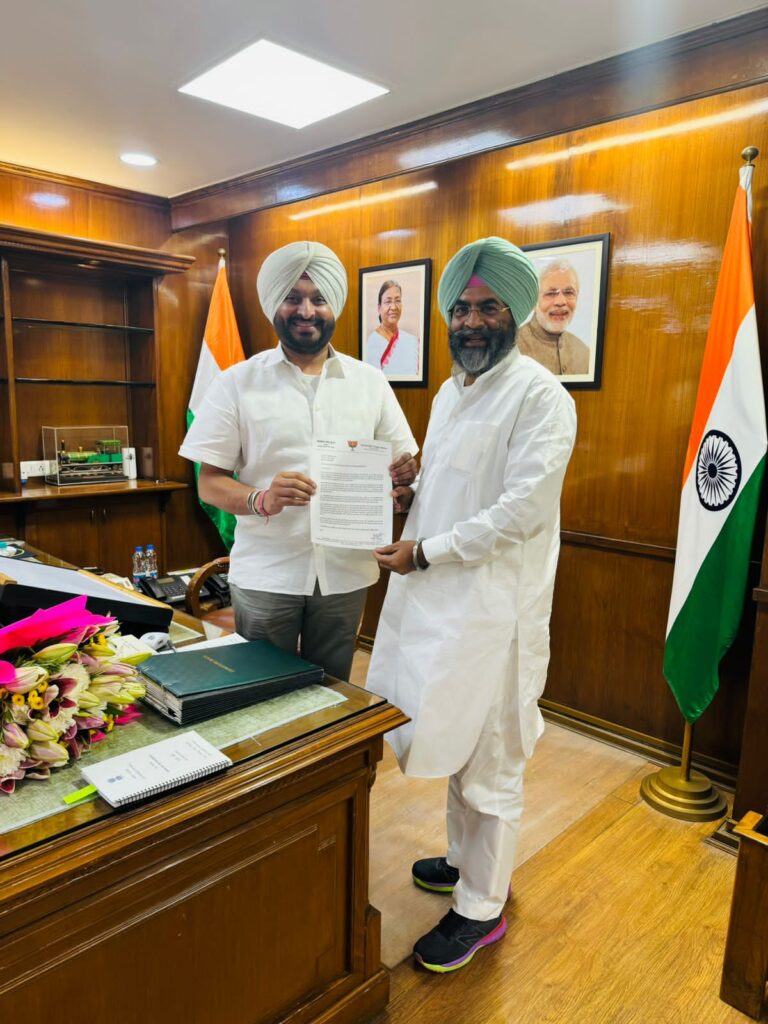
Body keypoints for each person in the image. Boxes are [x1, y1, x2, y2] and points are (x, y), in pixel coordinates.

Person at [366, 236, 577, 973]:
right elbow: (452, 491)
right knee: (454, 732)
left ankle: (482, 907)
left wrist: (425, 550)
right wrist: (408, 492)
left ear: (515, 312)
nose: (472, 321)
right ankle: (464, 862)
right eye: (460, 309)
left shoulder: (542, 398)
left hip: (495, 614)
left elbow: (520, 512)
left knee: (492, 757)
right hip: (440, 604)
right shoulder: (452, 392)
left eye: (488, 308)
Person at [179, 240, 417, 682]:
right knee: (261, 693)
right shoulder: (237, 383)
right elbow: (208, 482)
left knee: (334, 689)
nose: (306, 311)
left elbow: (403, 469)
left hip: (346, 572)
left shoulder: (370, 383)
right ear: (275, 305)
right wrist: (261, 499)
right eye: (293, 297)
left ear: (334, 307)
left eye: (318, 298)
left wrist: (403, 482)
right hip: (268, 573)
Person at [517, 259, 590, 374]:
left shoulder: (584, 353)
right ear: (533, 300)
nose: (561, 302)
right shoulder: (512, 349)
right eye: (550, 293)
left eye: (568, 293)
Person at [365, 279, 420, 376]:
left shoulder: (411, 340)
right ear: (379, 308)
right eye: (388, 301)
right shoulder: (373, 341)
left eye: (398, 301)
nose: (394, 307)